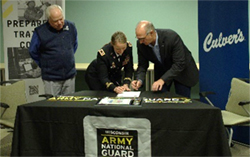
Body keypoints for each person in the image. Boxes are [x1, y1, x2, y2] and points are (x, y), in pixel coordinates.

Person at [131, 20, 199, 98]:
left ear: (151, 33)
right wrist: (139, 80)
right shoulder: (141, 45)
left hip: (182, 72)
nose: (140, 42)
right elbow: (142, 65)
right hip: (162, 71)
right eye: (138, 39)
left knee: (182, 102)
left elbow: (179, 63)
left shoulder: (171, 37)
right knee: (159, 100)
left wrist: (162, 80)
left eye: (142, 38)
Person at [29, 4, 78, 96]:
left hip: (69, 76)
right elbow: (33, 51)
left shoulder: (71, 26)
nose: (60, 23)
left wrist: (67, 57)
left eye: (61, 19)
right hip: (51, 78)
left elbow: (74, 45)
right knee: (52, 106)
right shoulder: (40, 31)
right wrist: (45, 64)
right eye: (56, 21)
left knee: (69, 106)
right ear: (49, 20)